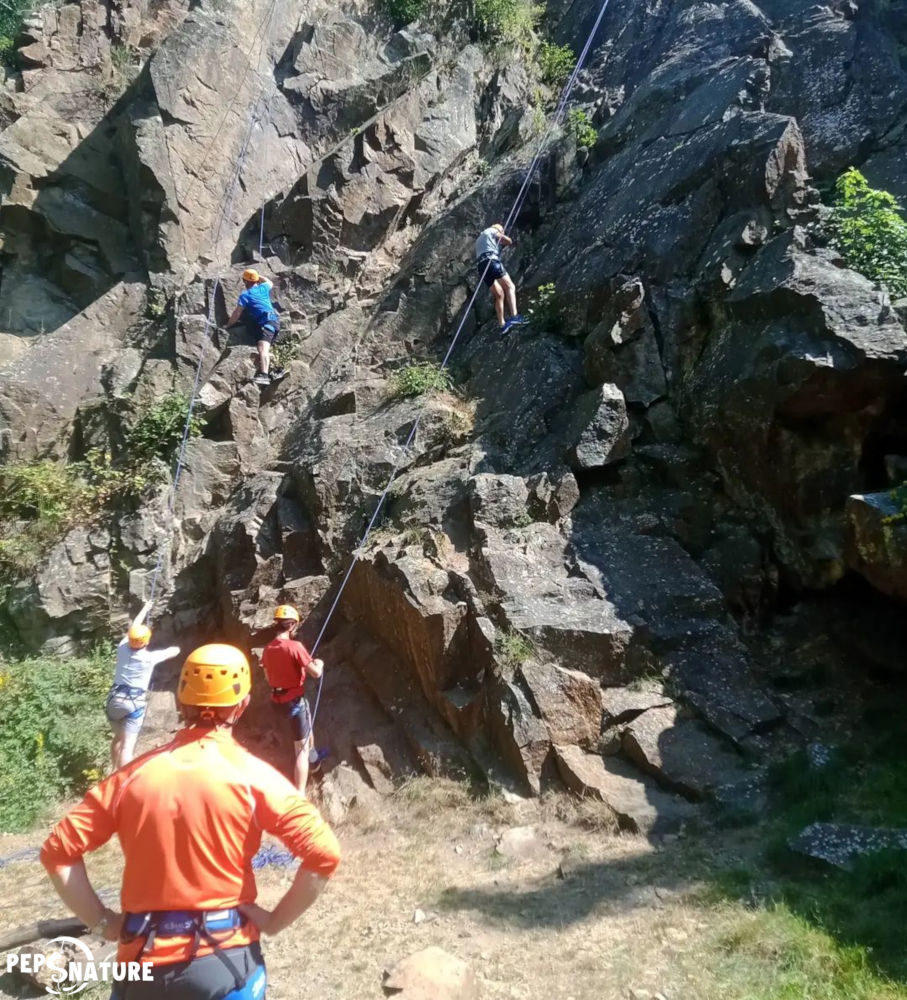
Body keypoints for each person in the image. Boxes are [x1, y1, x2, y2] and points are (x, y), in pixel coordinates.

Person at [40, 643, 341, 999]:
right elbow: (324, 854)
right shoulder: (254, 777)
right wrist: (274, 922)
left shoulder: (130, 778)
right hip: (226, 959)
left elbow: (57, 852)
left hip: (142, 960)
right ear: (242, 705)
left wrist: (104, 923)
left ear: (182, 703)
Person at [106, 600, 180, 772]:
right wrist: (176, 647)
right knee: (127, 747)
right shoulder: (150, 658)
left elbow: (134, 626)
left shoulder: (122, 647)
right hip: (133, 703)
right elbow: (174, 651)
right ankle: (123, 781)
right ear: (146, 641)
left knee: (118, 738)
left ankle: (112, 772)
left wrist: (145, 607)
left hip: (114, 700)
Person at [260, 605, 324, 792]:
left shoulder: (268, 648)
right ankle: (300, 795)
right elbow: (316, 673)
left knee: (307, 727)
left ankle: (313, 760)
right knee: (300, 751)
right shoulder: (295, 647)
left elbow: (267, 677)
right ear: (292, 626)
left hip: (277, 701)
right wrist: (319, 663)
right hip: (294, 702)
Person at [225, 268, 286, 387]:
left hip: (266, 323)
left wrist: (228, 325)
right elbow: (269, 282)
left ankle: (264, 375)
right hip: (273, 322)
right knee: (266, 349)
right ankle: (277, 369)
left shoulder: (246, 295)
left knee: (262, 349)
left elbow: (237, 313)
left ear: (245, 281)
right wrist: (258, 276)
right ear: (256, 280)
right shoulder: (263, 288)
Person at [474, 222, 527, 334]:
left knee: (499, 294)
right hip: (491, 261)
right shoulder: (492, 230)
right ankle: (514, 316)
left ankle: (502, 324)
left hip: (481, 266)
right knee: (510, 286)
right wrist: (508, 239)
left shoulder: (479, 239)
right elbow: (506, 240)